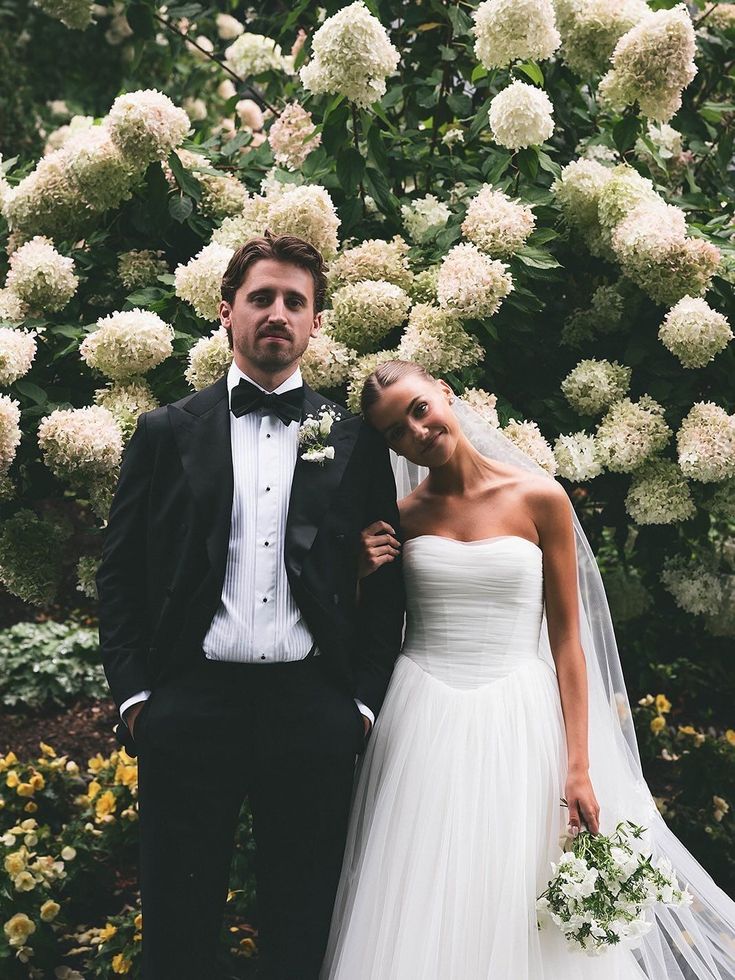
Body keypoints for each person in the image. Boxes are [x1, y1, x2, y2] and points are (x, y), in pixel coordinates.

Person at [322, 359, 735, 980]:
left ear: (445, 393)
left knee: (520, 889)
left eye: (419, 408)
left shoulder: (540, 498)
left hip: (520, 711)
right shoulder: (401, 521)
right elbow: (364, 637)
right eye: (396, 432)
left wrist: (578, 765)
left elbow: (568, 641)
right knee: (430, 888)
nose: (417, 431)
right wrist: (353, 577)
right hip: (422, 718)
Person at [96, 232, 405, 980]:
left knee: (303, 925)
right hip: (190, 703)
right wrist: (139, 698)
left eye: (294, 301)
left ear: (316, 323)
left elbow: (386, 580)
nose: (277, 313)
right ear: (226, 311)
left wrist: (358, 706)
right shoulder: (167, 433)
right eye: (261, 298)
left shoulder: (354, 440)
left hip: (311, 709)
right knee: (177, 921)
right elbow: (120, 575)